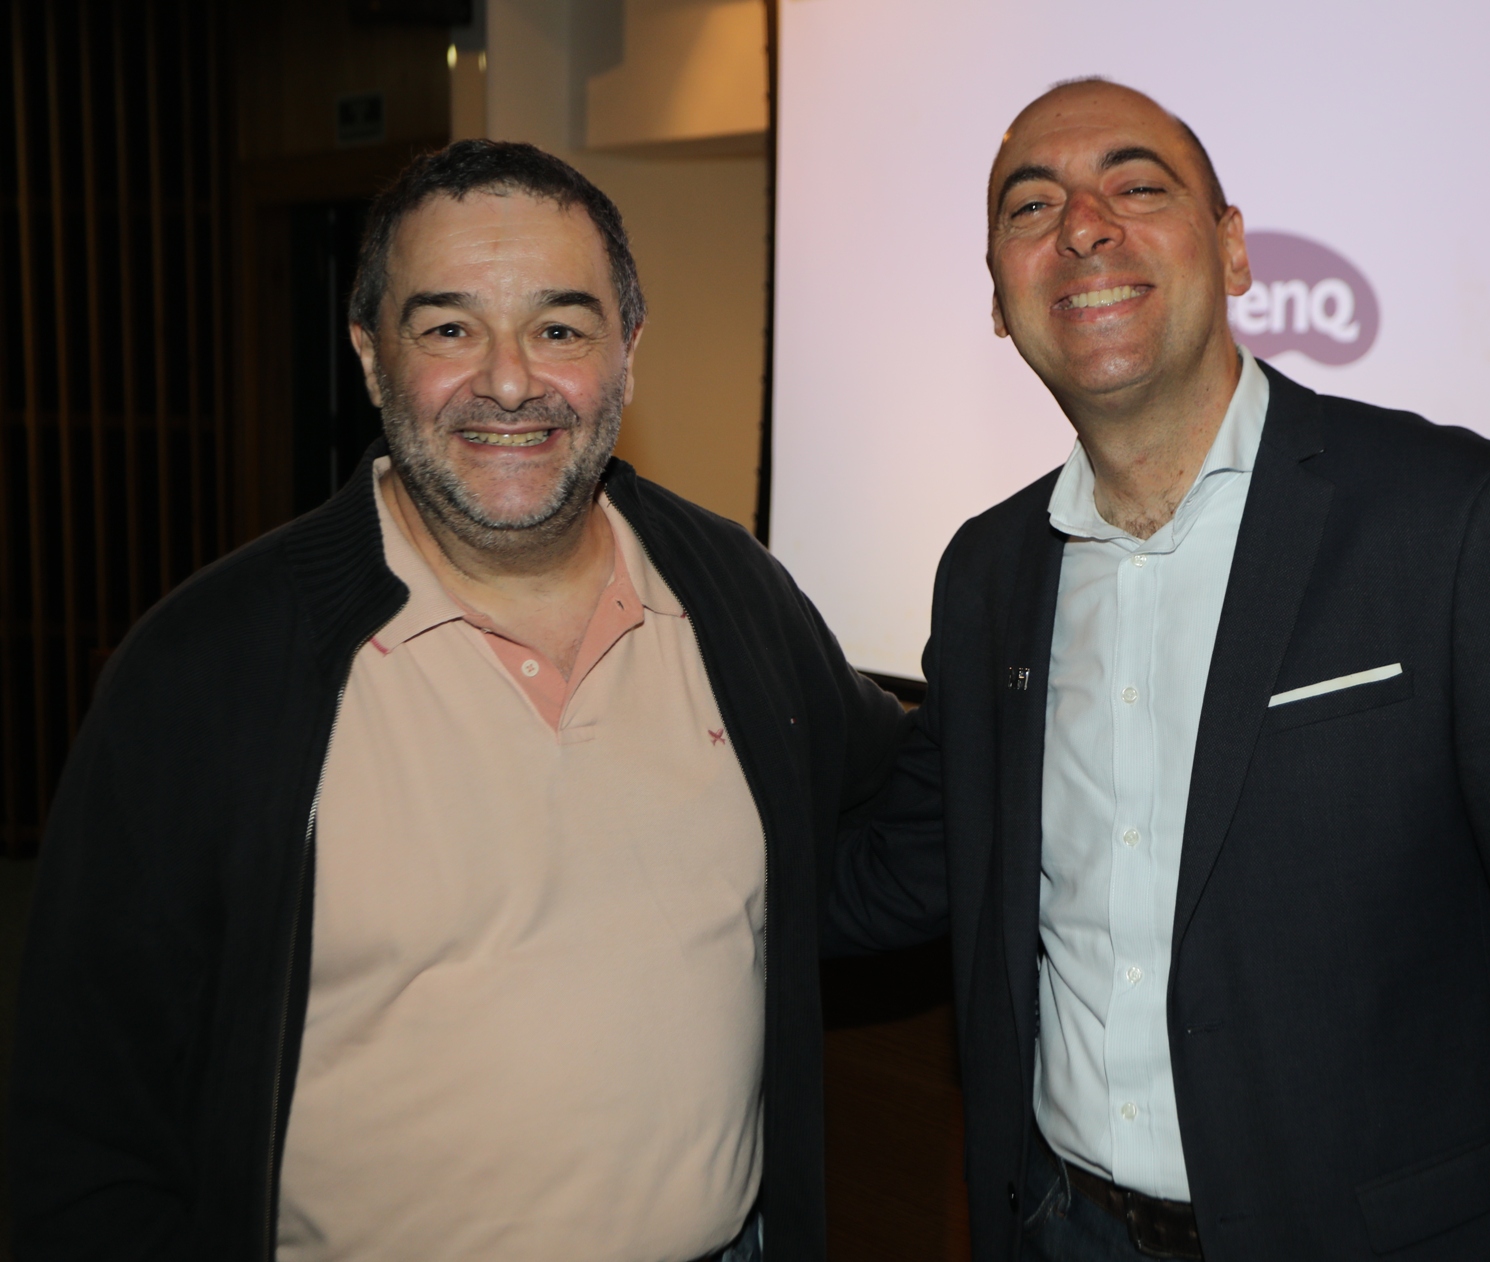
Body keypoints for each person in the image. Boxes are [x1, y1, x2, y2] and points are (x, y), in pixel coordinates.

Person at [829, 79, 1490, 1261]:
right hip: (1059, 1226)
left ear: (1234, 249)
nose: (1083, 226)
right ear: (1000, 300)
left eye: (1135, 185)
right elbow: (907, 864)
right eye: (1031, 205)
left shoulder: (1452, 523)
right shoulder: (987, 570)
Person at [10, 140, 903, 1261]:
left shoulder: (730, 593)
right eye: (447, 329)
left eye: (560, 329)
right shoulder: (206, 669)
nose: (511, 381)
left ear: (627, 352)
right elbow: (87, 1126)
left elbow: (893, 805)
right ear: (370, 357)